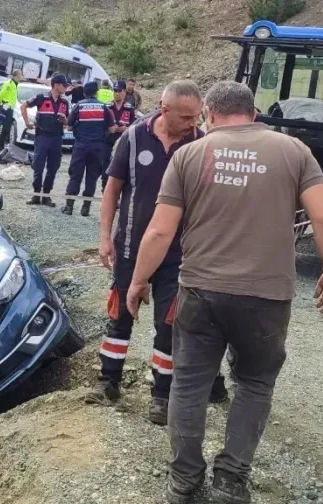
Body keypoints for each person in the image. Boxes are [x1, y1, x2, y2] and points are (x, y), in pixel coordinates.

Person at [126, 81, 323, 504]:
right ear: (255, 112)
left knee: (188, 386)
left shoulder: (189, 154)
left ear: (209, 112)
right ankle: (230, 479)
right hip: (266, 297)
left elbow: (159, 229)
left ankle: (184, 480)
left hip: (200, 291)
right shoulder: (294, 151)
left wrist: (138, 281)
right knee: (255, 384)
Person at [85, 80, 226, 425]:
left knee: (170, 324)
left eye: (198, 116)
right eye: (188, 116)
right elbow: (112, 190)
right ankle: (108, 381)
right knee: (120, 314)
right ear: (164, 110)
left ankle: (161, 395)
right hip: (131, 247)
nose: (195, 122)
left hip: (179, 254)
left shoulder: (202, 144)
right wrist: (105, 237)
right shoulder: (133, 138)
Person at [62, 81, 114, 216]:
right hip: (98, 147)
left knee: (75, 176)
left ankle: (69, 207)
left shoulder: (79, 106)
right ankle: (86, 209)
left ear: (84, 93)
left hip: (80, 147)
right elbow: (112, 129)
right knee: (92, 177)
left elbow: (69, 127)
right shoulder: (104, 108)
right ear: (96, 93)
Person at [23, 73, 70, 207]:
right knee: (38, 166)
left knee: (53, 168)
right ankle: (36, 195)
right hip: (42, 137)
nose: (66, 88)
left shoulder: (65, 102)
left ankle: (46, 196)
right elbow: (23, 106)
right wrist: (27, 123)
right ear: (56, 85)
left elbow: (68, 122)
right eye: (64, 85)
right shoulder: (41, 98)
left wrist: (66, 121)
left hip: (57, 138)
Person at [101, 80, 137, 192]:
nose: (116, 93)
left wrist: (126, 129)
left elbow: (134, 126)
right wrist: (111, 128)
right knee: (105, 169)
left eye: (119, 91)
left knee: (119, 169)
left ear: (124, 92)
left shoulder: (129, 108)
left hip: (122, 142)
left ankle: (116, 195)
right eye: (115, 91)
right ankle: (105, 192)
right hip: (108, 142)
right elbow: (102, 124)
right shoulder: (107, 107)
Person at [0, 69, 22, 154]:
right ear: (16, 76)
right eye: (21, 75)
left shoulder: (15, 84)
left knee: (6, 128)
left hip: (10, 108)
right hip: (5, 107)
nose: (22, 76)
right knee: (3, 127)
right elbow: (1, 94)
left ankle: (1, 146)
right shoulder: (9, 83)